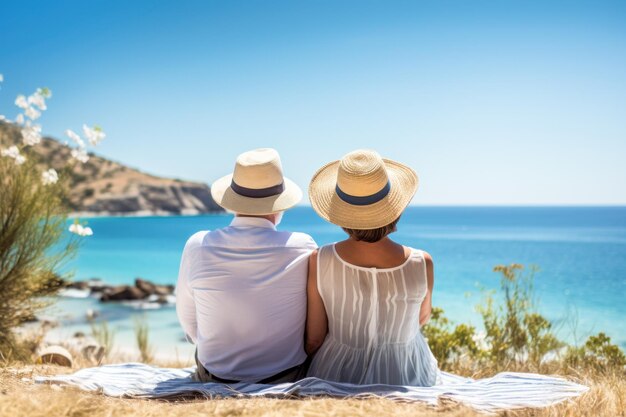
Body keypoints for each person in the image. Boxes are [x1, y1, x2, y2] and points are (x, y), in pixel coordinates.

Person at [176, 148, 317, 383]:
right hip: (284, 376)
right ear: (280, 205)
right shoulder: (302, 246)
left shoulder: (198, 245)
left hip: (215, 376)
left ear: (232, 201)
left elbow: (189, 324)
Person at [304, 149, 439, 386]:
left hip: (337, 373)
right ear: (393, 209)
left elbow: (314, 339)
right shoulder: (422, 262)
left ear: (343, 214)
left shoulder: (320, 259)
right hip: (405, 374)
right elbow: (421, 318)